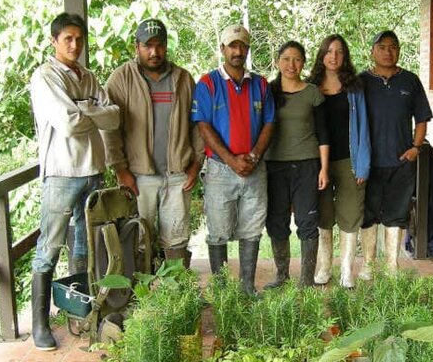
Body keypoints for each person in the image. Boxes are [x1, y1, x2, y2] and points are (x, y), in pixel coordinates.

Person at [29, 12, 119, 350]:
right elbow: (67, 124)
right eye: (67, 38)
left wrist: (85, 110)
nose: (74, 44)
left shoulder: (88, 76)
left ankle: (82, 315)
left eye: (79, 39)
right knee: (49, 246)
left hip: (93, 171)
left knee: (86, 246)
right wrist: (91, 111)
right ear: (54, 41)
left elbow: (114, 118)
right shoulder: (45, 77)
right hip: (61, 173)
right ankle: (40, 325)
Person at [102, 19, 204, 267]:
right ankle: (143, 298)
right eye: (148, 46)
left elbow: (198, 125)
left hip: (177, 174)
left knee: (177, 239)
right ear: (136, 46)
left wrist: (195, 164)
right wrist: (121, 170)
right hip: (138, 176)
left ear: (166, 46)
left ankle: (176, 294)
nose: (154, 52)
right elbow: (109, 129)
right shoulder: (121, 79)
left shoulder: (182, 79)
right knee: (138, 235)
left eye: (159, 45)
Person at [191, 24, 275, 294]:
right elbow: (203, 126)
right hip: (219, 169)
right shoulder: (207, 83)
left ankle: (247, 288)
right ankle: (222, 290)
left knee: (252, 228)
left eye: (242, 46)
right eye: (232, 46)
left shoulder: (260, 84)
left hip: (254, 167)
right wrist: (231, 160)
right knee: (218, 229)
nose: (238, 51)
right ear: (223, 49)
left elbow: (270, 123)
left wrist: (253, 156)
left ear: (248, 49)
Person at [358, 30, 432, 279]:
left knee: (396, 214)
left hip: (401, 162)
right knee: (367, 214)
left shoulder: (410, 81)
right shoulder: (361, 82)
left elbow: (422, 118)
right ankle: (367, 265)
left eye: (393, 47)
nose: (388, 52)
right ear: (372, 51)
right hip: (368, 163)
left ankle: (391, 265)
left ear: (398, 50)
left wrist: (415, 147)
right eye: (382, 47)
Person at [263, 41, 329, 289]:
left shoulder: (312, 92)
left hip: (307, 165)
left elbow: (324, 133)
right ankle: (281, 275)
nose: (292, 65)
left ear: (303, 62)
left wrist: (323, 168)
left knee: (307, 221)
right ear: (278, 62)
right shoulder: (267, 91)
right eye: (287, 59)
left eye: (297, 59)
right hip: (274, 166)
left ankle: (306, 280)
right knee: (276, 220)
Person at [308, 34, 371, 289]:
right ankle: (324, 265)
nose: (334, 56)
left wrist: (364, 163)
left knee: (350, 213)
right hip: (317, 162)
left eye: (339, 52)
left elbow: (364, 126)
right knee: (323, 215)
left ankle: (346, 268)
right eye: (329, 51)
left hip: (349, 159)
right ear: (322, 54)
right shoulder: (309, 86)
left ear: (345, 57)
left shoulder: (353, 87)